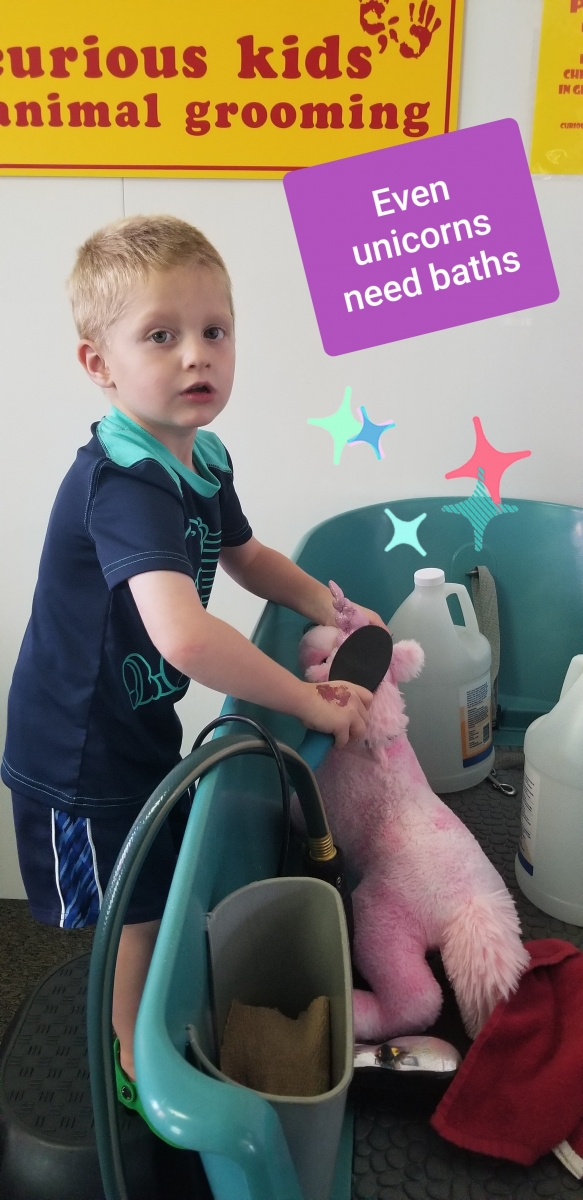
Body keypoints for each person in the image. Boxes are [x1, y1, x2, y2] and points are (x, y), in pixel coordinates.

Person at [2, 214, 383, 1087]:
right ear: (98, 364)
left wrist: (330, 605)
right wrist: (302, 696)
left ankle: (143, 1021)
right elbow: (181, 631)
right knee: (130, 911)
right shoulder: (125, 483)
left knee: (156, 885)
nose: (195, 357)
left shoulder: (201, 457)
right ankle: (138, 1066)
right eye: (161, 336)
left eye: (214, 331)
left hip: (137, 721)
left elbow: (245, 557)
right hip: (77, 747)